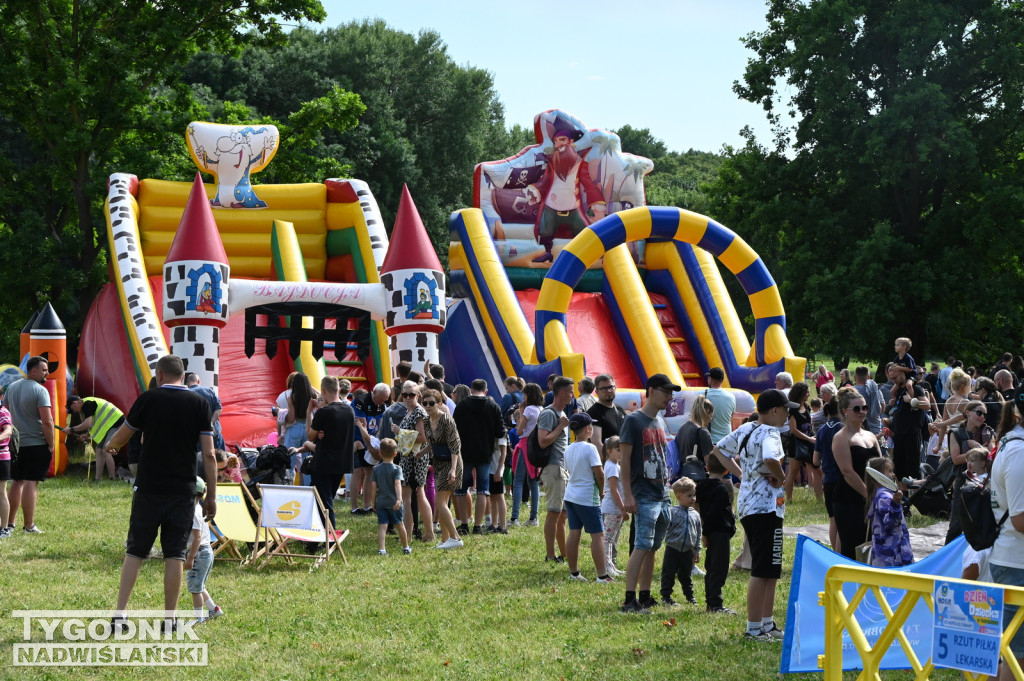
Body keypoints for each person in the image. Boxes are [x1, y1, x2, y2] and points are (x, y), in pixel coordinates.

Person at [104, 354, 216, 630]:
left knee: (136, 551)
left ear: (160, 374)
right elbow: (210, 454)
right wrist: (211, 494)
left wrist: (109, 448)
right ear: (183, 374)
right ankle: (170, 619)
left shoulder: (148, 399)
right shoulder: (201, 403)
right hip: (183, 490)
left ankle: (120, 615)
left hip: (149, 487)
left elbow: (122, 436)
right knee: (175, 554)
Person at [711, 388, 793, 640]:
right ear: (775, 410)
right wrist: (781, 478)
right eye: (786, 410)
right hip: (765, 507)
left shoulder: (747, 428)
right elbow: (771, 459)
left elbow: (719, 450)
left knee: (771, 567)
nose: (788, 416)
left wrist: (743, 474)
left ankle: (767, 623)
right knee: (762, 568)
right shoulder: (771, 432)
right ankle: (754, 627)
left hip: (753, 505)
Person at [618, 373, 678, 614]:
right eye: (666, 392)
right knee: (641, 545)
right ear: (651, 391)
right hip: (643, 493)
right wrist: (628, 495)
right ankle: (629, 599)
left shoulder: (660, 421)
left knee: (653, 547)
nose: (670, 397)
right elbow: (624, 461)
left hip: (662, 492)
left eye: (672, 393)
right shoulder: (633, 421)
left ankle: (645, 595)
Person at [525, 115, 607, 263]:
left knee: (583, 231)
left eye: (562, 140)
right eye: (556, 141)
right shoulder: (552, 163)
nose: (558, 144)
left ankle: (587, 255)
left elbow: (588, 183)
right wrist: (535, 191)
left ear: (571, 142)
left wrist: (596, 201)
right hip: (551, 206)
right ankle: (547, 252)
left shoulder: (580, 164)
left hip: (573, 207)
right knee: (545, 230)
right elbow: (544, 181)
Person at [988, 392, 1024, 681]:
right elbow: (1021, 519)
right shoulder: (1019, 451)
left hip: (1013, 559)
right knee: (1018, 657)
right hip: (1016, 564)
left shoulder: (1012, 445)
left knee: (1014, 654)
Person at [5, 356, 55, 534]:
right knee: (31, 483)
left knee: (16, 481)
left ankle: (9, 524)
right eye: (44, 369)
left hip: (16, 444)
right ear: (33, 370)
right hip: (36, 443)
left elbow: (6, 415)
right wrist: (51, 443)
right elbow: (47, 421)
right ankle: (29, 525)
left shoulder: (11, 388)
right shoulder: (40, 390)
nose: (47, 373)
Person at [832, 387, 882, 560]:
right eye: (857, 408)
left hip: (873, 498)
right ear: (845, 411)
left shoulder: (871, 436)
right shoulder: (841, 437)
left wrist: (884, 492)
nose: (862, 412)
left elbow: (881, 467)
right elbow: (847, 471)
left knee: (872, 547)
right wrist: (868, 495)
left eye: (865, 408)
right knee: (852, 547)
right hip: (849, 500)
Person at [452, 379, 505, 535]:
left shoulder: (462, 406)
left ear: (471, 389)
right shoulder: (493, 406)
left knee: (461, 490)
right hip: (485, 452)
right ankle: (478, 526)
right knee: (483, 490)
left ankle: (464, 524)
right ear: (486, 391)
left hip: (465, 452)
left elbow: (454, 429)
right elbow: (500, 432)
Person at [562, 412, 610, 582]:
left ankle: (574, 572)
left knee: (574, 533)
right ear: (588, 429)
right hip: (587, 496)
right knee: (598, 535)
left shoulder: (568, 448)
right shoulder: (590, 448)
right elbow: (600, 473)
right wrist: (602, 491)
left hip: (571, 495)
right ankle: (602, 575)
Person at [940, 400, 994, 545]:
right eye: (979, 412)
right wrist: (976, 453)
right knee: (956, 525)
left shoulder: (987, 432)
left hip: (984, 484)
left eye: (984, 414)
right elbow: (956, 459)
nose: (982, 416)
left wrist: (977, 448)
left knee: (981, 522)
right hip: (963, 482)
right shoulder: (956, 433)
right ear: (968, 413)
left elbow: (991, 457)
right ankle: (946, 561)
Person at [306, 376, 354, 530]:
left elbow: (310, 435)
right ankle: (315, 537)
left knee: (323, 503)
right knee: (323, 499)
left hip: (323, 463)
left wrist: (309, 412)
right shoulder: (349, 409)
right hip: (341, 462)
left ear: (324, 391)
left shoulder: (324, 412)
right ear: (339, 390)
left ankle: (330, 538)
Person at [391, 382, 436, 543]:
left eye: (411, 394)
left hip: (416, 459)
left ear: (418, 395)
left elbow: (423, 437)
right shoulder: (409, 412)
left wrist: (400, 432)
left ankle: (424, 533)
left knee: (413, 495)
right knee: (409, 496)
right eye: (405, 394)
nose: (408, 398)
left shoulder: (418, 413)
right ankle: (411, 534)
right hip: (407, 458)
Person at [421, 388, 464, 549]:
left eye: (431, 403)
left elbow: (455, 446)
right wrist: (421, 453)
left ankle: (456, 538)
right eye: (424, 403)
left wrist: (453, 469)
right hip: (438, 462)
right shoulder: (426, 421)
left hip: (452, 462)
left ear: (439, 403)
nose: (427, 405)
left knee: (439, 503)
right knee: (443, 502)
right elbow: (432, 442)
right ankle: (445, 539)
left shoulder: (446, 419)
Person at [538, 376, 574, 563]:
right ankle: (550, 555)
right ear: (561, 393)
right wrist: (560, 427)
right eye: (570, 391)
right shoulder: (549, 414)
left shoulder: (561, 414)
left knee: (562, 514)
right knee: (553, 512)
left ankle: (564, 553)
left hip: (562, 468)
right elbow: (542, 441)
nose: (573, 395)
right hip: (553, 469)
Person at [696, 454, 736, 614]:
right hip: (720, 532)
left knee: (711, 566)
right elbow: (718, 513)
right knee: (719, 568)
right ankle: (715, 603)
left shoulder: (701, 486)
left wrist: (704, 532)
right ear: (727, 470)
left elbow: (700, 509)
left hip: (709, 531)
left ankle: (711, 601)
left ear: (707, 467)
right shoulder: (721, 489)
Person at [184, 477, 224, 622]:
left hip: (199, 553)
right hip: (206, 553)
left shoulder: (193, 512)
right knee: (199, 585)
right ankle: (214, 609)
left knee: (195, 589)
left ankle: (198, 618)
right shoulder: (199, 508)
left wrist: (190, 558)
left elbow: (197, 538)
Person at [864, 457, 912, 567]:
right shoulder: (884, 497)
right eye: (889, 471)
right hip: (892, 557)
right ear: (878, 476)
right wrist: (895, 503)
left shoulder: (881, 494)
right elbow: (890, 522)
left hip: (887, 556)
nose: (893, 474)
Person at [661, 477, 702, 606]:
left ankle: (690, 596)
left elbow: (698, 533)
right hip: (673, 548)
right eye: (689, 496)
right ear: (678, 497)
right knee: (669, 573)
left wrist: (697, 550)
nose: (693, 498)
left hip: (687, 551)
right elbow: (666, 527)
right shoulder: (673, 512)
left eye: (694, 495)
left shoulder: (695, 514)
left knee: (686, 575)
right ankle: (666, 596)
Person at [351, 382, 391, 516]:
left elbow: (380, 426)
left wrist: (377, 446)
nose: (382, 402)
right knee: (357, 472)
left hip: (372, 441)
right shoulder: (360, 402)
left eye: (385, 400)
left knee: (369, 472)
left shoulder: (382, 405)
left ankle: (367, 506)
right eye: (381, 399)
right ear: (373, 392)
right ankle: (355, 507)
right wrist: (371, 448)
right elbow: (362, 427)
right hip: (357, 439)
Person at [64, 395, 125, 481]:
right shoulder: (87, 404)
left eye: (73, 409)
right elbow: (97, 422)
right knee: (99, 449)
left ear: (75, 403)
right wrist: (87, 434)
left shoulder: (87, 404)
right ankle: (97, 479)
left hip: (117, 423)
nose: (74, 412)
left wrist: (72, 429)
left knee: (106, 449)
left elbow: (87, 424)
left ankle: (112, 478)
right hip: (110, 425)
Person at [887, 365, 928, 486]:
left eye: (895, 378)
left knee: (912, 467)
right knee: (899, 467)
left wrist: (911, 401)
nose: (894, 381)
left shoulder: (916, 389)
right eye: (892, 379)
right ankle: (902, 498)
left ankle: (915, 497)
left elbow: (927, 405)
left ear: (902, 374)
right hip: (899, 434)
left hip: (911, 433)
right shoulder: (899, 389)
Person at [510, 382, 544, 527]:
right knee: (534, 482)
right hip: (536, 447)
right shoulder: (541, 409)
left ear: (528, 396)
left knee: (518, 481)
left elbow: (519, 431)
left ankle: (514, 518)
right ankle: (533, 517)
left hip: (525, 445)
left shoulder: (529, 410)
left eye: (524, 394)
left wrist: (522, 411)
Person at [369, 438, 411, 556]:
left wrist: (373, 502)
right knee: (399, 524)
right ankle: (406, 547)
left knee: (383, 526)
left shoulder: (376, 469)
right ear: (395, 454)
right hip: (394, 503)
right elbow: (398, 484)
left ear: (380, 453)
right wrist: (399, 499)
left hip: (381, 502)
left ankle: (382, 549)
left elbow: (373, 487)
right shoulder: (397, 469)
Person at [813, 396, 844, 552]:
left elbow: (815, 460)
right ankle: (841, 553)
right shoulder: (843, 428)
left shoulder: (822, 429)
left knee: (833, 519)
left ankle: (834, 552)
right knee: (843, 520)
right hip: (842, 478)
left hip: (828, 479)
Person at [783, 382, 819, 502]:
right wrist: (808, 439)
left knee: (817, 471)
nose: (809, 394)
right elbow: (793, 430)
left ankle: (819, 498)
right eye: (807, 392)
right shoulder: (793, 409)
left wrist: (812, 436)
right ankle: (789, 499)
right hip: (796, 444)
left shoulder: (807, 406)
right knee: (793, 472)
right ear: (800, 393)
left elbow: (809, 425)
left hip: (809, 442)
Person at [599, 436, 626, 577]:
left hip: (614, 508)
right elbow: (614, 490)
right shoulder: (611, 467)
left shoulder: (615, 465)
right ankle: (607, 566)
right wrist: (623, 508)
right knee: (608, 539)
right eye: (618, 450)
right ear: (609, 451)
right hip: (612, 508)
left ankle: (610, 565)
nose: (621, 453)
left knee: (610, 539)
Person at [673, 395, 714, 475]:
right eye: (711, 416)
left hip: (683, 474)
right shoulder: (702, 432)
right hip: (698, 476)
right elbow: (709, 462)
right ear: (708, 411)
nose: (710, 419)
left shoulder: (682, 428)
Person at [184, 373, 223, 450]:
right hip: (215, 433)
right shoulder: (209, 391)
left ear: (187, 384)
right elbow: (219, 408)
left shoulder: (186, 394)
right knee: (221, 459)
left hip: (198, 436)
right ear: (198, 381)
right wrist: (211, 422)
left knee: (201, 460)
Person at [586, 373, 627, 445]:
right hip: (607, 456)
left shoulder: (619, 409)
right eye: (604, 389)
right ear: (597, 392)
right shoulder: (593, 413)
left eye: (611, 387)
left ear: (615, 388)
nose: (608, 391)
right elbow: (597, 444)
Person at [704, 368, 736, 445]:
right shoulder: (731, 397)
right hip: (726, 440)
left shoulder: (702, 394)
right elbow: (731, 416)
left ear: (711, 379)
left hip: (708, 440)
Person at [852, 366, 884, 435]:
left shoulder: (850, 392)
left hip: (857, 432)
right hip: (876, 430)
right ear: (869, 377)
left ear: (854, 377)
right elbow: (883, 408)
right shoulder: (876, 390)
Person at [0, 398, 12, 538]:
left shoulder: (3, 412)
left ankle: (4, 529)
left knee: (1, 493)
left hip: (1, 457)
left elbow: (8, 431)